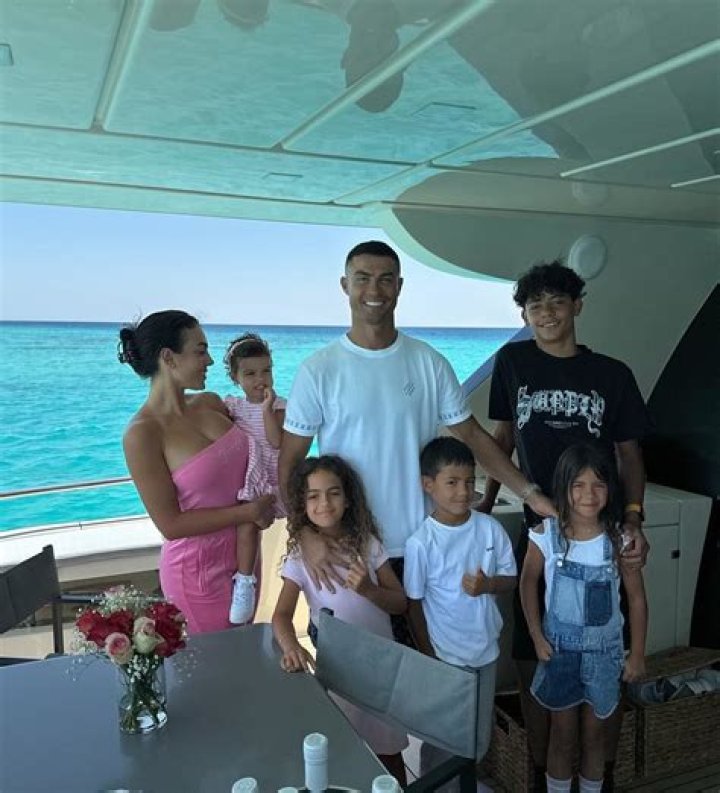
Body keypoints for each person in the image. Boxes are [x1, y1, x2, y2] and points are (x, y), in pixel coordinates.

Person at [279, 240, 554, 636]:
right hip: (350, 552)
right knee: (352, 669)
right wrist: (305, 534)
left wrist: (529, 493)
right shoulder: (318, 370)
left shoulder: (428, 362)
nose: (374, 290)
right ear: (345, 285)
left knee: (430, 664)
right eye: (362, 279)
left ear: (399, 286)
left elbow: (474, 436)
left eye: (385, 279)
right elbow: (290, 464)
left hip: (423, 547)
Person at [478, 261, 652, 791]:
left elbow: (629, 455)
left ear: (577, 306)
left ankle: (601, 773)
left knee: (608, 650)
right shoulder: (512, 362)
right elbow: (503, 437)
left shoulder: (612, 374)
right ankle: (542, 770)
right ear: (524, 316)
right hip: (541, 531)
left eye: (557, 302)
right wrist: (486, 506)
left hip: (601, 530)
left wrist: (633, 518)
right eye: (535, 306)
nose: (547, 313)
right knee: (533, 652)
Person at [119, 310, 276, 635]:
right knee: (219, 660)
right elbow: (171, 524)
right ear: (168, 358)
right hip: (196, 574)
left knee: (241, 649)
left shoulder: (211, 403)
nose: (210, 361)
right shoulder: (143, 434)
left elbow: (263, 442)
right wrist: (248, 512)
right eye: (200, 351)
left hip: (245, 561)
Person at [272, 455, 408, 784]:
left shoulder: (368, 544)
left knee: (389, 752)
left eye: (334, 493)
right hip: (339, 671)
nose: (324, 503)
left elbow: (400, 603)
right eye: (313, 495)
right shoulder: (300, 557)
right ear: (302, 504)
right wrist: (291, 648)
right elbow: (281, 615)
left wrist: (369, 590)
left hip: (381, 668)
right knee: (344, 748)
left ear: (348, 499)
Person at [520, 442, 647, 793]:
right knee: (561, 735)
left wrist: (637, 654)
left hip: (605, 657)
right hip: (558, 654)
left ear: (610, 489)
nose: (588, 494)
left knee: (595, 736)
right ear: (563, 487)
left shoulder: (620, 538)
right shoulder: (545, 535)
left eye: (598, 484)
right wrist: (536, 635)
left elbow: (636, 599)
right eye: (578, 484)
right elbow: (528, 582)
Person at [404, 437, 517, 788]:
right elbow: (413, 604)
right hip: (446, 657)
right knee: (442, 740)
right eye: (451, 482)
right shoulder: (421, 543)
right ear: (428, 485)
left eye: (469, 481)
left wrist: (488, 585)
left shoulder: (489, 528)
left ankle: (464, 785)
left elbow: (511, 578)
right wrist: (429, 656)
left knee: (477, 739)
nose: (463, 491)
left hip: (485, 653)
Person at [223, 332, 286, 624]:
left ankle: (298, 574)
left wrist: (266, 410)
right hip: (250, 477)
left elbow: (276, 441)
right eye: (250, 374)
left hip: (274, 478)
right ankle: (245, 581)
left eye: (266, 371)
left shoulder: (279, 406)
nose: (260, 379)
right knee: (247, 527)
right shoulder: (233, 407)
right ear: (235, 378)